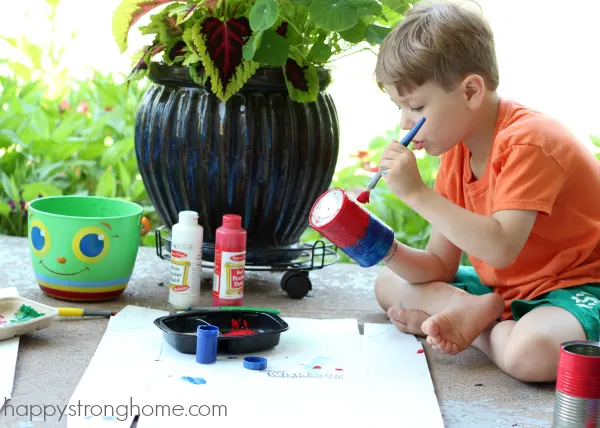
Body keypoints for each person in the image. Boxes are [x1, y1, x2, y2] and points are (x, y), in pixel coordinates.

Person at [372, 0, 600, 383]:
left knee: (530, 356)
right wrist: (374, 243)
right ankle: (476, 310)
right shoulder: (458, 150)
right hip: (507, 290)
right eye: (400, 107)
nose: (404, 123)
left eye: (415, 106)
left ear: (471, 91)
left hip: (576, 285)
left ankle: (475, 327)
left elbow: (499, 247)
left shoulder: (529, 142)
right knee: (387, 285)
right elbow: (439, 264)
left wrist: (417, 193)